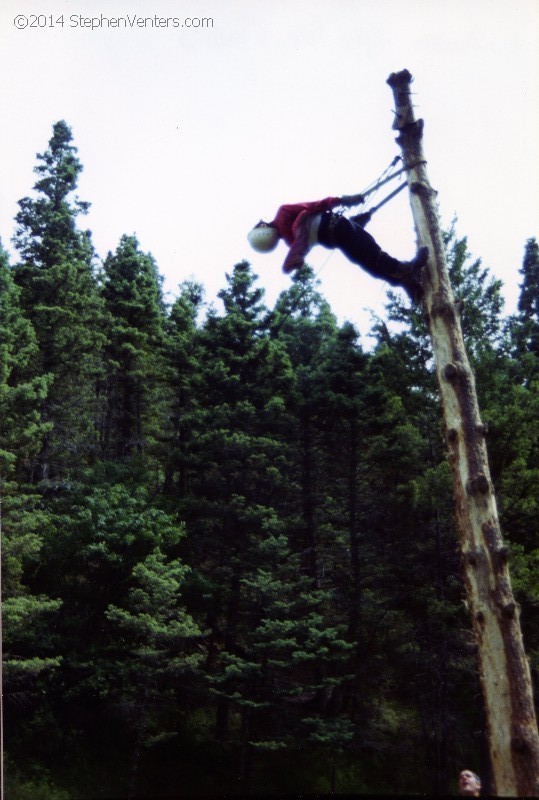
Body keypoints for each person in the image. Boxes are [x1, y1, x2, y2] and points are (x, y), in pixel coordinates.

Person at [247, 194, 429, 304]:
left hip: (334, 237)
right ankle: (406, 272)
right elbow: (315, 206)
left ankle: (405, 280)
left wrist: (353, 219)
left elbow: (311, 231)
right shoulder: (283, 213)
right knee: (369, 252)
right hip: (338, 227)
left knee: (367, 262)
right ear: (262, 228)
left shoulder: (291, 243)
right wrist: (342, 200)